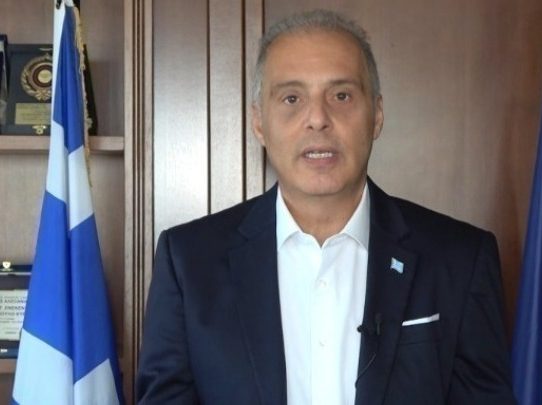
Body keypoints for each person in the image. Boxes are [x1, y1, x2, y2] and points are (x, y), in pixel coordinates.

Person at [136, 9, 516, 405]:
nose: (318, 119)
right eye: (292, 98)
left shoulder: (460, 259)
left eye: (341, 96)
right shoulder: (189, 262)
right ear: (259, 123)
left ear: (377, 115)